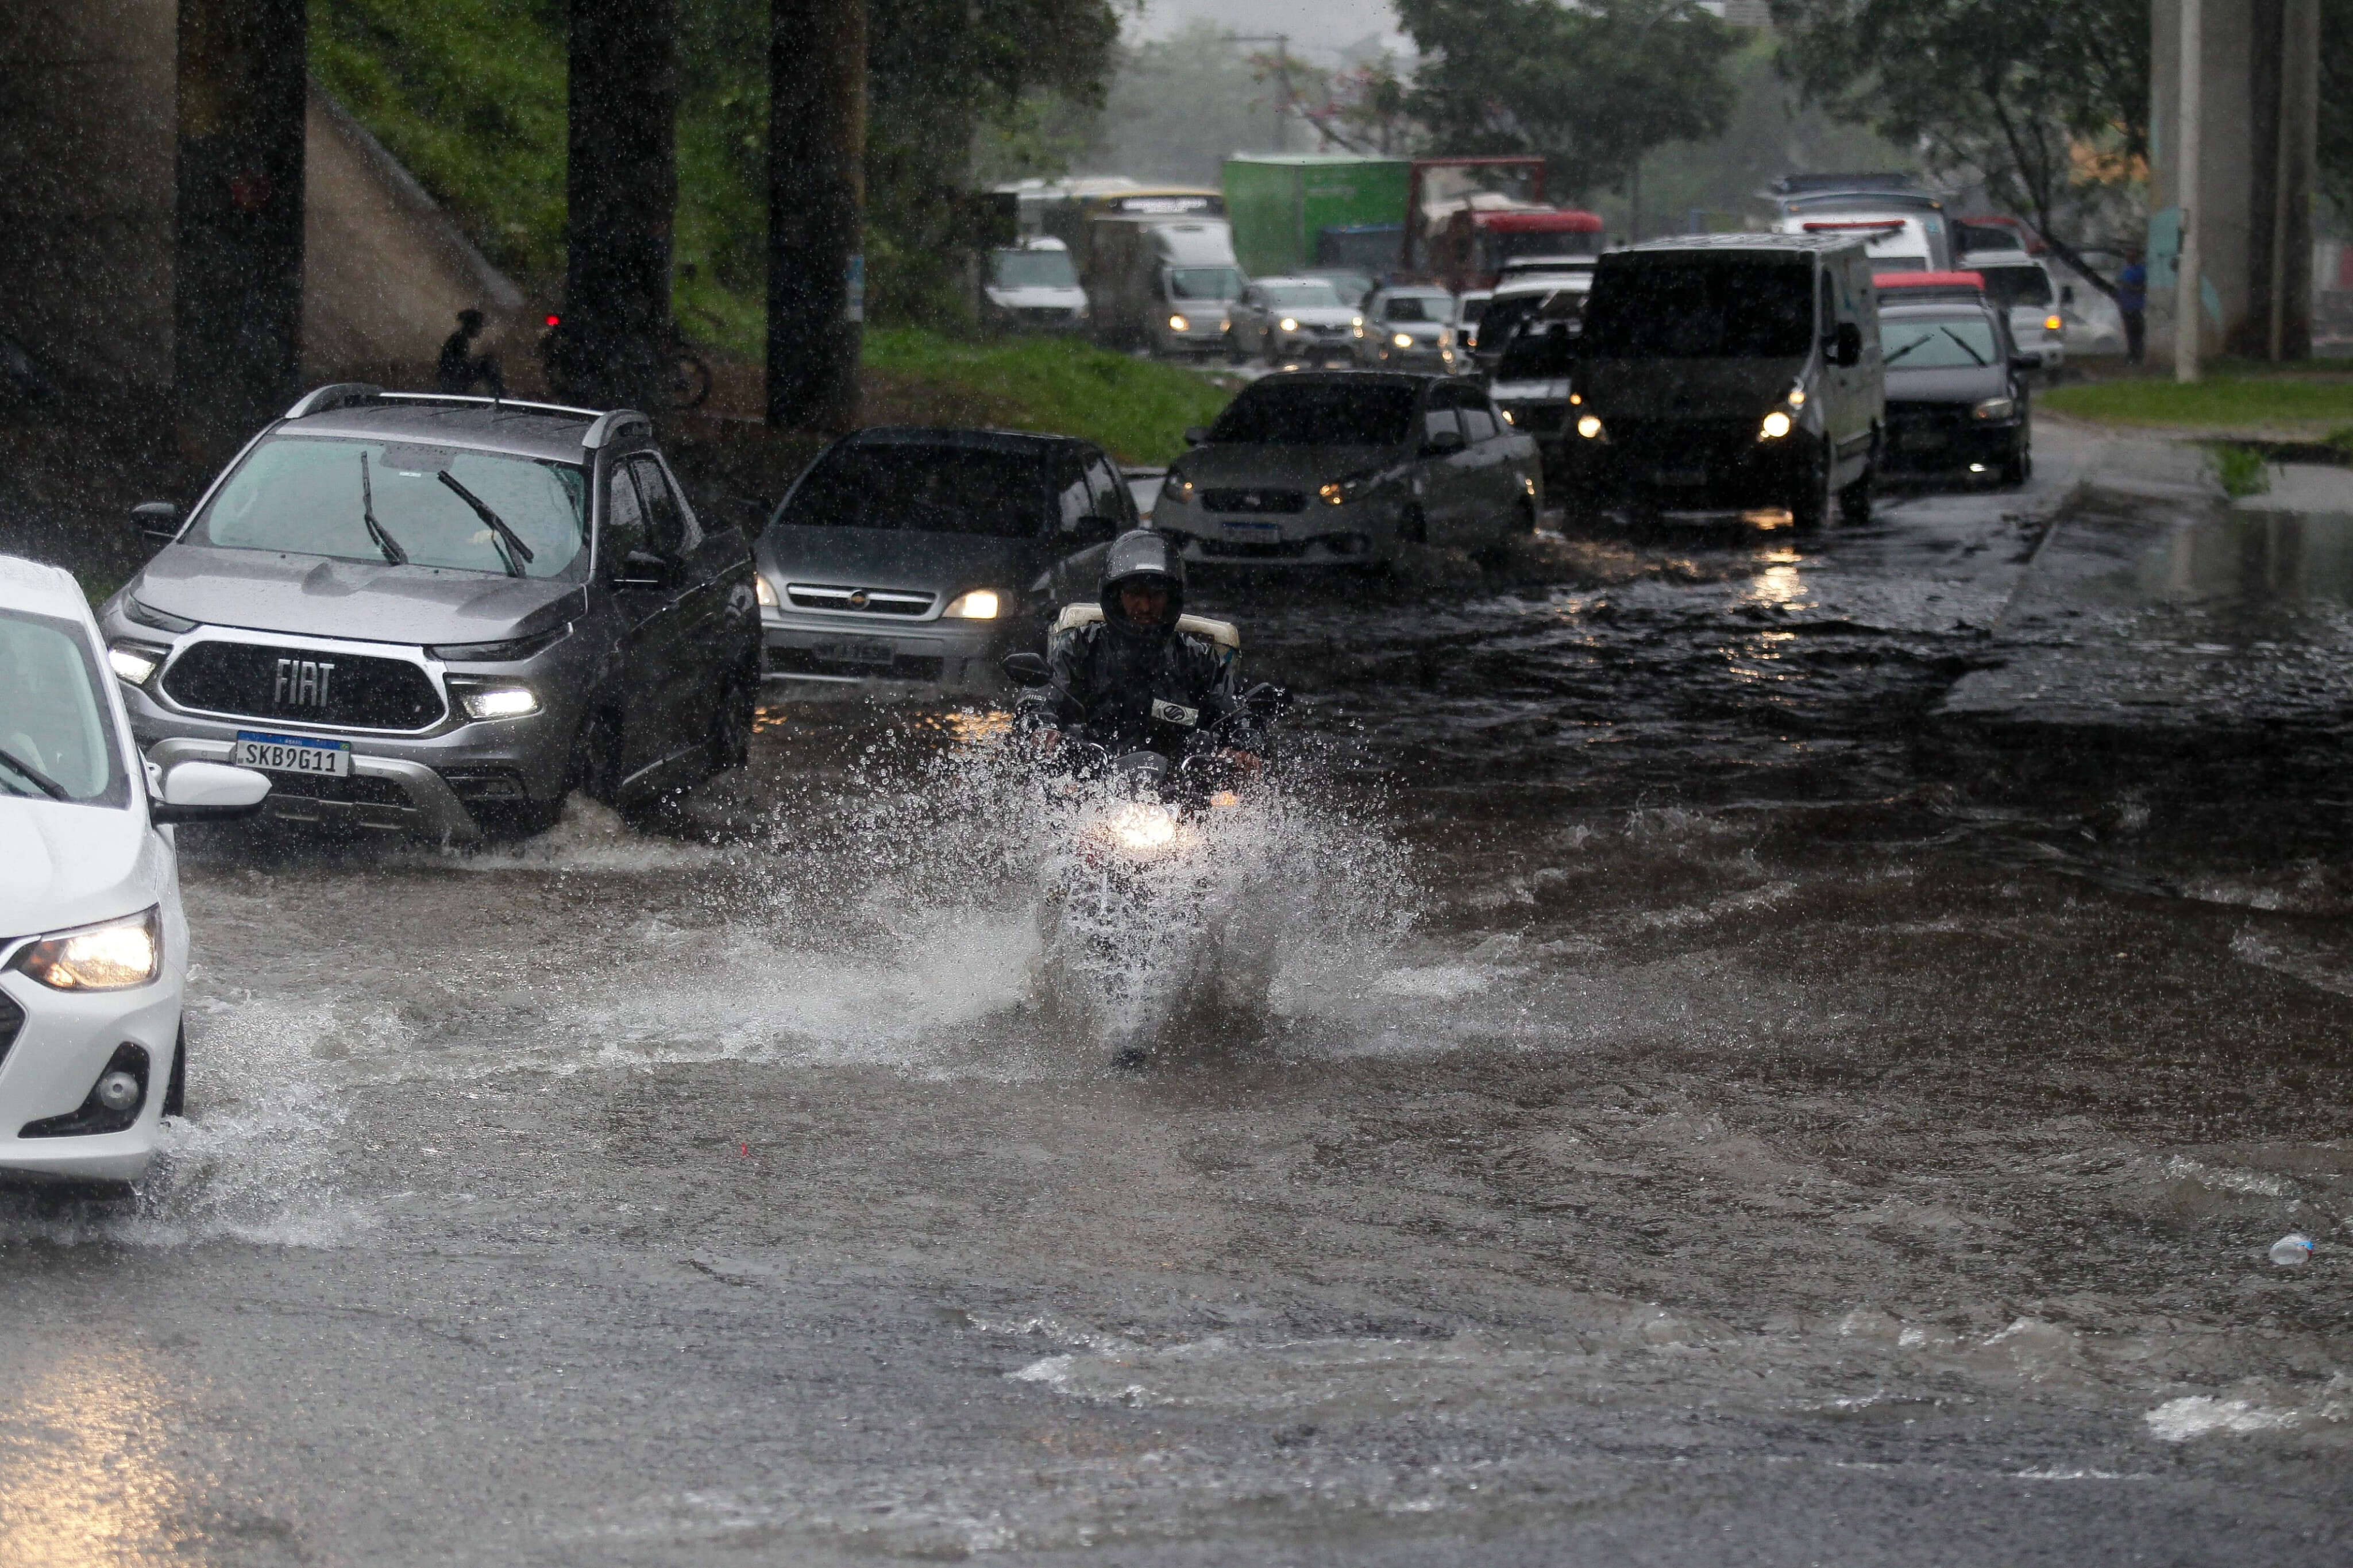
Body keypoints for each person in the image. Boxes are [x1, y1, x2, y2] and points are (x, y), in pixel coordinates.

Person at [1020, 529, 1260, 768]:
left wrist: (1244, 744)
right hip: (1090, 780)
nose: (1144, 606)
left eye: (1156, 596)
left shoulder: (1199, 659)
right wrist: (1042, 728)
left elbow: (1237, 711)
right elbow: (1038, 697)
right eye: (1134, 594)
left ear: (1172, 598)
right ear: (1114, 596)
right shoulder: (1077, 649)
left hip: (1178, 787)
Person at [436, 308, 507, 397]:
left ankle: (499, 396)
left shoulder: (460, 338)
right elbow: (458, 366)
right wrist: (482, 360)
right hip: (453, 382)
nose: (480, 330)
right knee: (488, 364)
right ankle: (500, 398)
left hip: (453, 380)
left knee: (488, 361)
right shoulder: (459, 340)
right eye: (478, 327)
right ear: (471, 326)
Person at [2116, 249, 2147, 366]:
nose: (2128, 259)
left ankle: (2137, 356)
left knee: (2136, 332)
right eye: (2128, 257)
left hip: (2136, 307)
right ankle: (2132, 354)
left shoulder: (2141, 270)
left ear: (2136, 258)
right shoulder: (2127, 270)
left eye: (2131, 257)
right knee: (2130, 332)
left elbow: (2141, 287)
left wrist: (2129, 286)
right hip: (2126, 307)